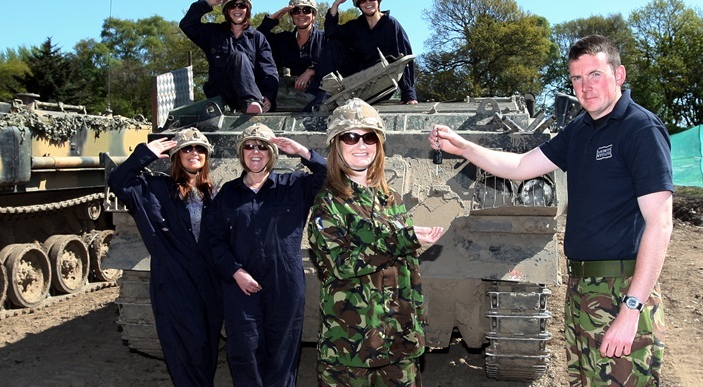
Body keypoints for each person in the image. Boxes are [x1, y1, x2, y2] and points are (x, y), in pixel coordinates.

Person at [429, 35, 673, 385]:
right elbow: (520, 166)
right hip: (584, 288)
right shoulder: (581, 129)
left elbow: (660, 224)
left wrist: (631, 308)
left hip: (622, 288)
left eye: (594, 75)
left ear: (618, 74)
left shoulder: (640, 128)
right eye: (576, 78)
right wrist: (465, 147)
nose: (585, 87)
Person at [308, 98, 444, 386]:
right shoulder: (328, 204)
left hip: (399, 341)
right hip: (351, 347)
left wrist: (416, 326)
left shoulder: (390, 198)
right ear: (336, 145)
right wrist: (403, 239)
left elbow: (410, 272)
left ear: (379, 144)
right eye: (350, 137)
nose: (361, 145)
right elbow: (339, 265)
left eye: (369, 137)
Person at [202, 123, 326, 386]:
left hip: (285, 283)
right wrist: (235, 271)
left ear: (272, 153)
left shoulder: (293, 185)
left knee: (283, 352)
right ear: (241, 153)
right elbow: (213, 240)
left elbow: (329, 174)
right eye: (249, 146)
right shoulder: (228, 194)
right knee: (244, 350)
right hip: (241, 285)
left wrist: (301, 151)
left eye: (262, 147)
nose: (255, 152)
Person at [107, 128, 223, 386]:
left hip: (209, 282)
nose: (194, 153)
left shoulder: (212, 193)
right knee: (183, 348)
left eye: (200, 148)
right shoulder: (155, 189)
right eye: (187, 148)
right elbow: (118, 182)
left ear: (207, 156)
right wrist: (145, 154)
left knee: (206, 347)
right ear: (176, 155)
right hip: (174, 282)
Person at [306, 0, 418, 109]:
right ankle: (314, 92)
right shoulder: (356, 26)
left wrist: (409, 94)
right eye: (363, 0)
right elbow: (331, 32)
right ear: (358, 4)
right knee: (334, 45)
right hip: (358, 78)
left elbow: (404, 58)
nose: (368, 2)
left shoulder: (390, 25)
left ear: (378, 0)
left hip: (381, 81)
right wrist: (336, 4)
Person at [180, 0, 279, 114]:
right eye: (232, 5)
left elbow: (269, 71)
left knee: (240, 57)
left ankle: (251, 103)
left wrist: (269, 96)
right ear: (226, 10)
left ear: (247, 9)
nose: (237, 9)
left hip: (252, 95)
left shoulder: (257, 38)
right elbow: (187, 25)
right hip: (221, 95)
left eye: (242, 5)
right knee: (239, 56)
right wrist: (205, 3)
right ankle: (251, 102)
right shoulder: (213, 34)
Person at [257, 0, 327, 112]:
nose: (301, 14)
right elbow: (258, 38)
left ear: (313, 15)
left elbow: (336, 62)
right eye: (296, 11)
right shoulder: (284, 40)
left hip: (318, 97)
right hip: (284, 96)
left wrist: (312, 71)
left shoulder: (325, 39)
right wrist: (275, 17)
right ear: (291, 15)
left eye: (306, 10)